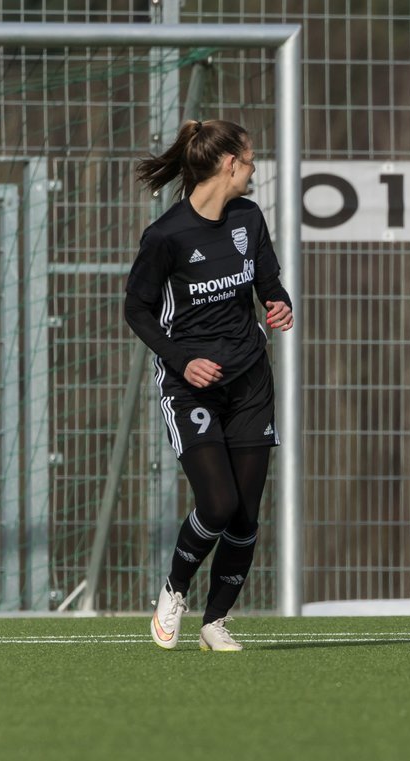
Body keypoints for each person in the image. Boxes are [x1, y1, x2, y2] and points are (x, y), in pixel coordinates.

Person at [125, 119, 294, 652]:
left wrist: (279, 302)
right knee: (216, 504)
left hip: (250, 380)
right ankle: (175, 590)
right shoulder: (166, 236)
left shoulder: (249, 217)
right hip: (190, 387)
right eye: (249, 160)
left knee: (245, 514)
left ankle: (214, 621)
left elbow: (267, 280)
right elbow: (137, 308)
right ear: (229, 164)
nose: (252, 170)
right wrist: (182, 360)